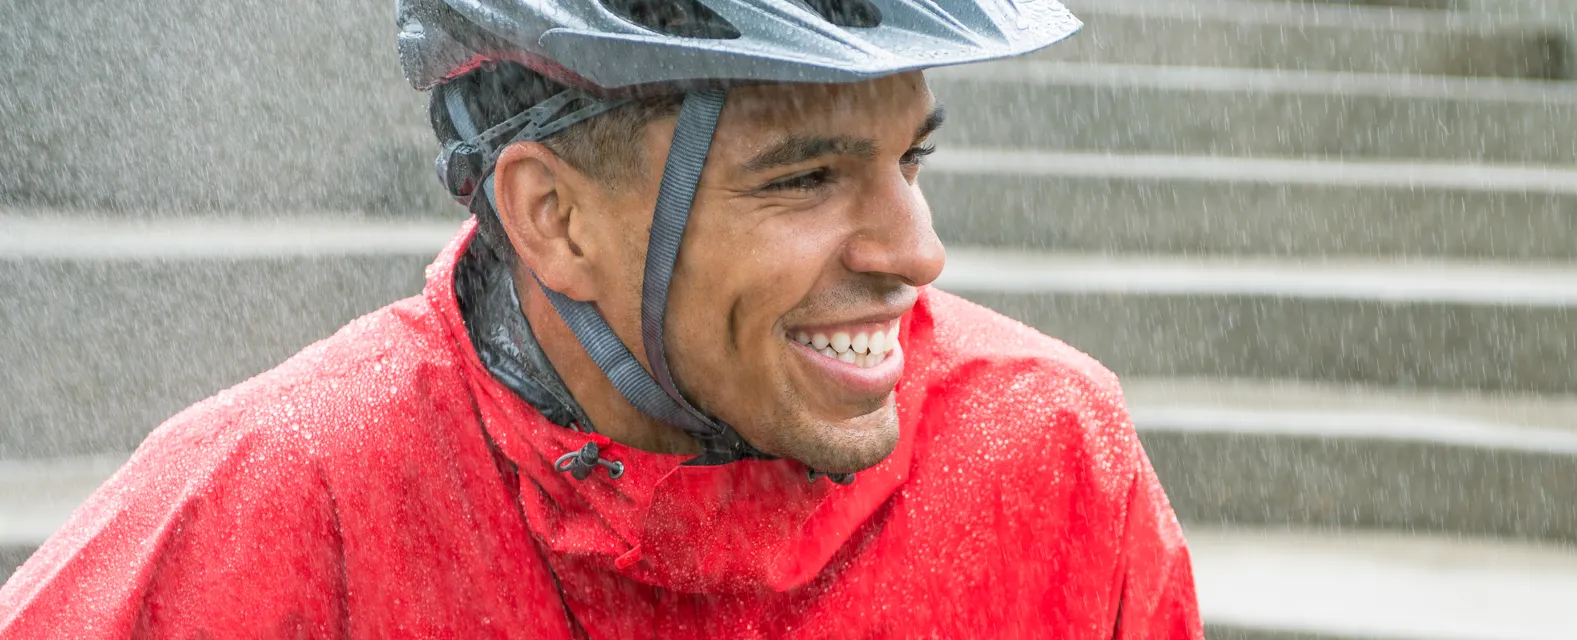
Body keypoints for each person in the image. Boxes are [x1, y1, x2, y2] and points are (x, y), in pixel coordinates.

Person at [0, 0, 1201, 636]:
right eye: (805, 176)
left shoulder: (1045, 459)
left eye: (909, 160)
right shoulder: (273, 511)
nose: (917, 251)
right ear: (554, 216)